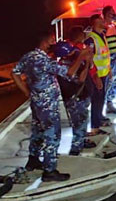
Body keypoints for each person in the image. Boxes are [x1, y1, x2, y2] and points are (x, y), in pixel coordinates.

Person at [11, 32, 91, 181]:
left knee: (38, 131)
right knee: (52, 135)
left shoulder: (28, 56)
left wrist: (26, 92)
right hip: (47, 105)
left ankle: (33, 160)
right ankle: (49, 171)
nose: (53, 41)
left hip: (36, 102)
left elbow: (14, 73)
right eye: (52, 39)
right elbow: (68, 73)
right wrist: (81, 57)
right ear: (45, 41)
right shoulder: (43, 60)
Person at [54, 27, 96, 155]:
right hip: (75, 99)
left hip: (81, 97)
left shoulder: (72, 61)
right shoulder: (63, 67)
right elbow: (81, 78)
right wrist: (86, 62)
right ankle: (76, 148)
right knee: (78, 124)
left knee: (83, 120)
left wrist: (86, 59)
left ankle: (82, 140)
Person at [85, 14, 111, 131]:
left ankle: (99, 119)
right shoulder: (91, 39)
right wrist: (96, 77)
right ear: (95, 23)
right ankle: (95, 125)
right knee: (96, 99)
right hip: (96, 76)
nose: (103, 21)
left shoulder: (102, 36)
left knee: (101, 98)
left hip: (104, 73)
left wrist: (109, 69)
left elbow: (105, 55)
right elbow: (90, 60)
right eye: (100, 20)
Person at [102, 5, 116, 115]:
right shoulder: (103, 26)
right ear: (105, 14)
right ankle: (102, 107)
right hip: (107, 58)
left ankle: (109, 104)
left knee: (114, 81)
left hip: (115, 56)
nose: (114, 15)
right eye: (111, 13)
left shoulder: (114, 26)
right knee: (107, 81)